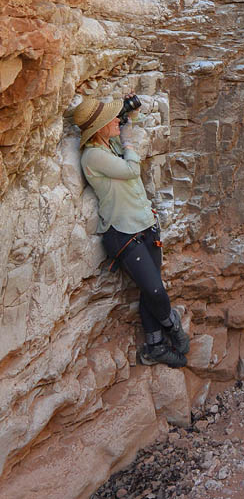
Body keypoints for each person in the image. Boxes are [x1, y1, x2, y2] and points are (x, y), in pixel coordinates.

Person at [73, 95, 190, 368]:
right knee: (156, 292)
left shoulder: (108, 144)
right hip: (123, 234)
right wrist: (128, 141)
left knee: (151, 291)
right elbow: (131, 169)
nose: (118, 121)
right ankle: (172, 325)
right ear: (100, 127)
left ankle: (155, 347)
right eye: (112, 119)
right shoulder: (94, 156)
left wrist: (130, 114)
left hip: (146, 225)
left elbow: (125, 124)